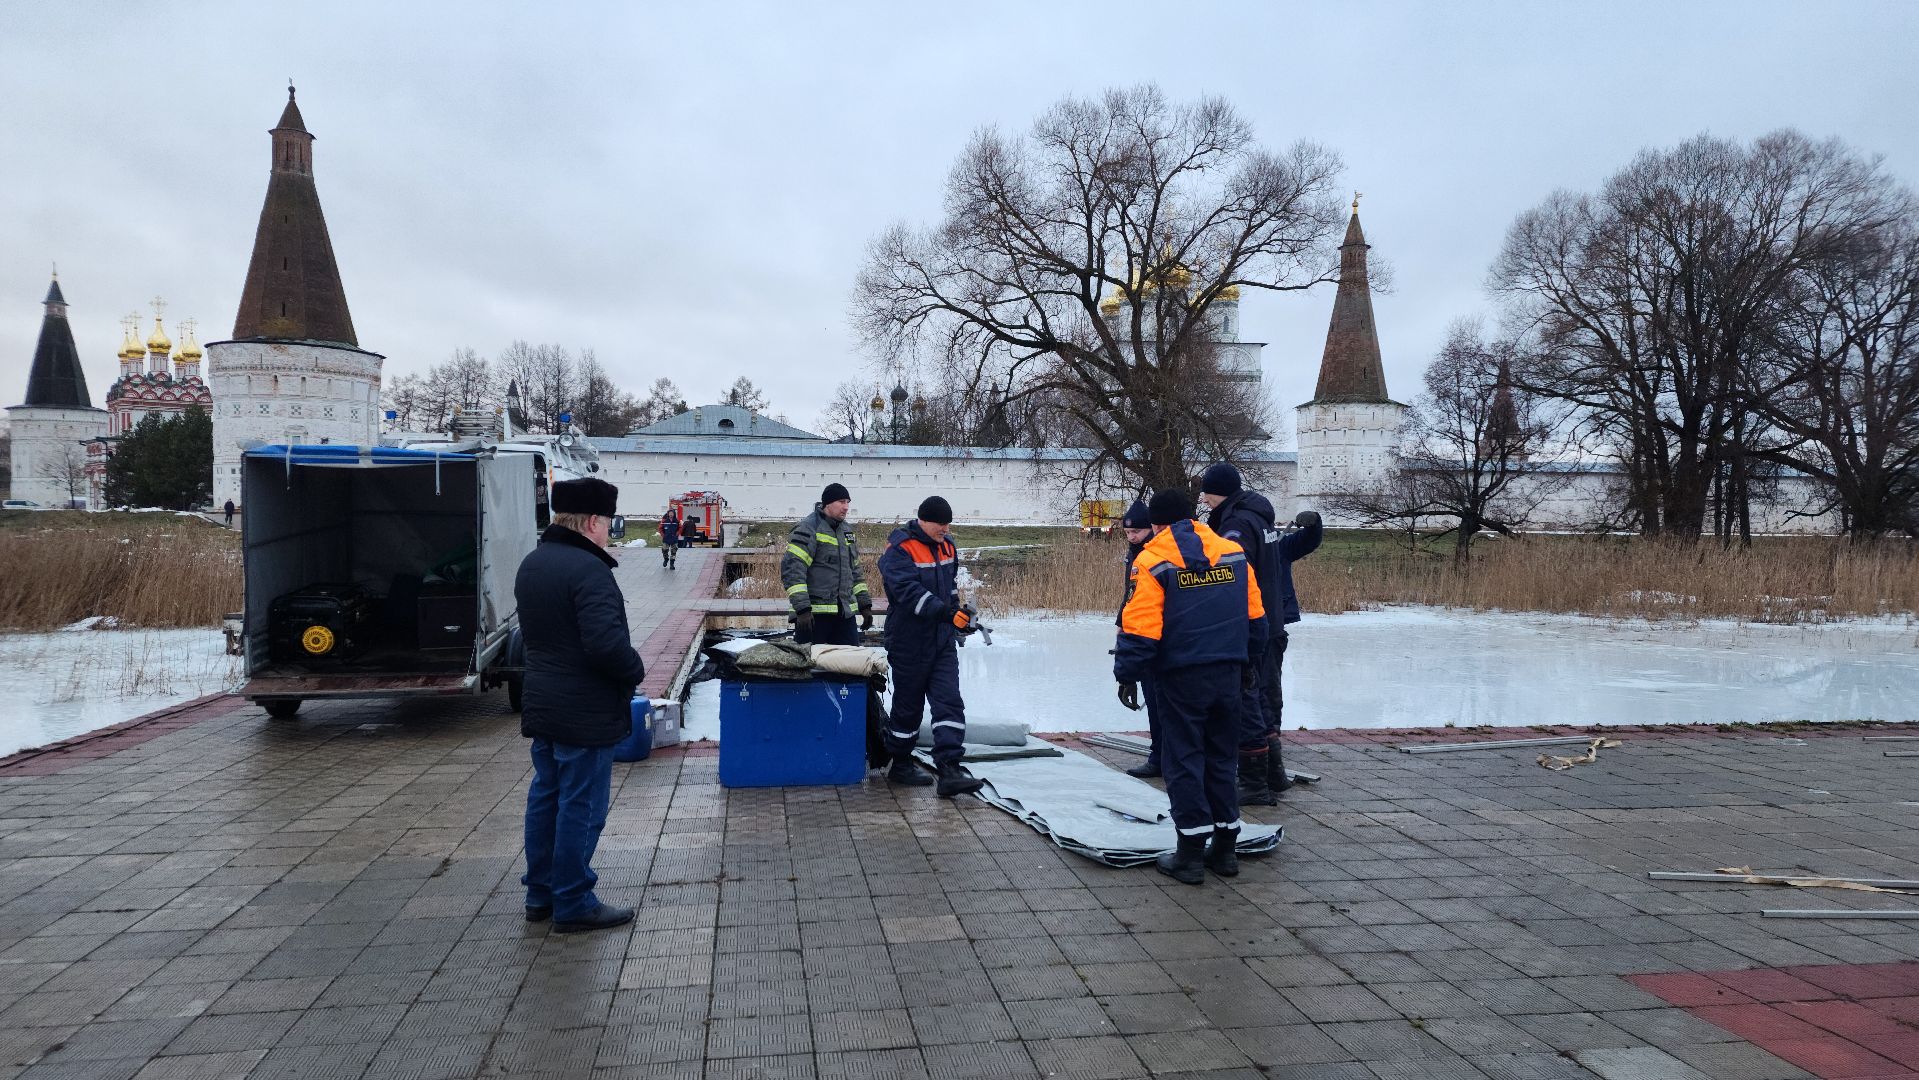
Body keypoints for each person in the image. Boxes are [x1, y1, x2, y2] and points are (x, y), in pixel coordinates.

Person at [1115, 489, 1267, 884]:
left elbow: (1141, 626)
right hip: (1228, 674)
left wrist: (1127, 673)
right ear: (1192, 516)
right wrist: (1250, 663)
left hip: (1181, 677)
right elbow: (1256, 616)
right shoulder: (1231, 552)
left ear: (1156, 523)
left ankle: (1189, 855)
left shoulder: (1152, 560)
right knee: (1221, 759)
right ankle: (1226, 850)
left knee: (1183, 761)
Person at [514, 477, 645, 933]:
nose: (609, 530)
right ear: (592, 522)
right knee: (581, 805)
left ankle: (541, 894)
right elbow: (605, 646)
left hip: (545, 702)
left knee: (546, 798)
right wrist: (635, 668)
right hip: (585, 710)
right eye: (607, 522)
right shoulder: (589, 571)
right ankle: (573, 902)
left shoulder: (534, 563)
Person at [1198, 462, 1322, 803]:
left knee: (1249, 700)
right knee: (1266, 696)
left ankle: (1255, 783)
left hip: (1252, 624)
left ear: (1217, 491)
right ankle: (1273, 774)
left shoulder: (1237, 524)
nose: (1204, 500)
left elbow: (1232, 575)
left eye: (1206, 492)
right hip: (1270, 622)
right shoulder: (1259, 518)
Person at [876, 495, 984, 798]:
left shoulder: (948, 546)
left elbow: (949, 590)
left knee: (948, 701)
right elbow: (908, 593)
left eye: (948, 524)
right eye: (940, 524)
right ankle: (900, 763)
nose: (945, 529)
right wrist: (946, 613)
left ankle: (949, 768)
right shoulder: (899, 549)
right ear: (923, 520)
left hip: (941, 640)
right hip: (909, 640)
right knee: (908, 707)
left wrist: (958, 617)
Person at [779, 483, 873, 646]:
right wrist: (802, 609)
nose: (846, 507)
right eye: (842, 502)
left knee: (848, 665)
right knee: (812, 667)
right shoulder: (808, 528)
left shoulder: (847, 532)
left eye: (848, 502)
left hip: (844, 615)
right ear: (828, 503)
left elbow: (855, 570)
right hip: (813, 616)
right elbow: (793, 569)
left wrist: (864, 604)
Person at [1115, 499, 1165, 780]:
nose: (1132, 537)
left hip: (1151, 634)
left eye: (1136, 533)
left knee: (1159, 701)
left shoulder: (1154, 555)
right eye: (1127, 534)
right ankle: (1159, 755)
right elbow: (1130, 594)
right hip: (1136, 628)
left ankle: (1161, 756)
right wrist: (1121, 622)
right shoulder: (1134, 553)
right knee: (1153, 698)